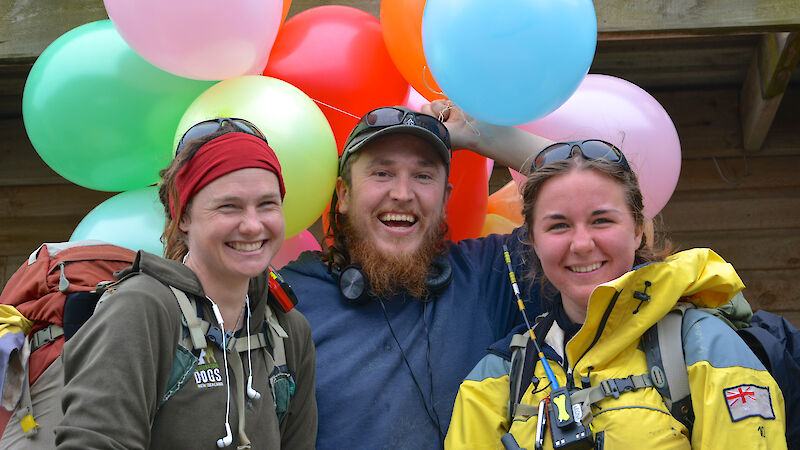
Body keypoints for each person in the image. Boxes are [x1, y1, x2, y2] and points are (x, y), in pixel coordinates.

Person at [444, 140, 787, 448]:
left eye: (602, 221)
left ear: (638, 230)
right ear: (532, 241)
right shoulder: (497, 376)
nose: (581, 244)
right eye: (559, 225)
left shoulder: (702, 344)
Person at [279, 105, 552, 449]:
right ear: (344, 194)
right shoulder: (289, 299)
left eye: (423, 176)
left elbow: (600, 190)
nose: (403, 193)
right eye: (382, 173)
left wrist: (486, 136)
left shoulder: (491, 275)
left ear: (444, 199)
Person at [55, 119, 317, 448]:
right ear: (183, 218)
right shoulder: (142, 310)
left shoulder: (289, 331)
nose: (252, 225)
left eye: (267, 204)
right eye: (229, 206)